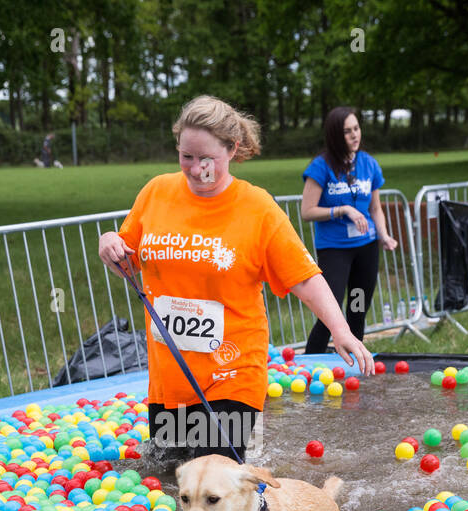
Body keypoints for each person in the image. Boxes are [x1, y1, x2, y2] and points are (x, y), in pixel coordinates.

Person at [97, 95, 375, 462]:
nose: (196, 170)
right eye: (186, 157)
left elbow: (304, 278)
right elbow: (129, 260)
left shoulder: (258, 209)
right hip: (173, 375)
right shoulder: (156, 193)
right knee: (169, 476)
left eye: (206, 159)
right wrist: (110, 243)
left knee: (215, 478)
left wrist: (340, 330)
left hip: (233, 371)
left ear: (232, 149)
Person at [300, 107, 398, 355]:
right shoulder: (321, 166)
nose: (354, 135)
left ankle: (354, 365)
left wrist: (384, 235)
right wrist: (341, 210)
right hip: (334, 249)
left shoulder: (368, 163)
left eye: (356, 128)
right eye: (347, 131)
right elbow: (307, 211)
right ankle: (310, 364)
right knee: (328, 311)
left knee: (357, 308)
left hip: (366, 248)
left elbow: (375, 208)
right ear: (335, 135)